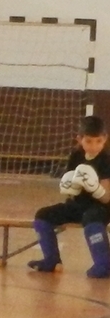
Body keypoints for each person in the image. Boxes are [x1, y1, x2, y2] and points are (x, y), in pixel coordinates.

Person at [29, 116, 110, 278]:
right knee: (43, 215)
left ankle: (104, 264)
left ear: (105, 139)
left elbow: (107, 198)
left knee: (91, 218)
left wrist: (95, 188)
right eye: (89, 141)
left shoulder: (106, 160)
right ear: (79, 139)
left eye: (98, 141)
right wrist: (70, 187)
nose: (94, 146)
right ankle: (51, 260)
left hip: (101, 208)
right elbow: (70, 186)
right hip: (78, 205)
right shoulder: (76, 156)